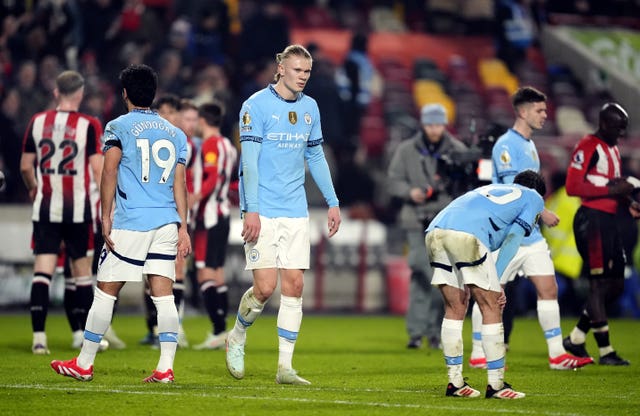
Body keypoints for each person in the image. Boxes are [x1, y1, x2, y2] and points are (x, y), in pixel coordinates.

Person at [50, 64, 191, 382]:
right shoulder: (176, 134)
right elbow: (179, 184)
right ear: (153, 93)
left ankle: (84, 363)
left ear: (125, 93)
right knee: (164, 295)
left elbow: (109, 171)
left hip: (132, 222)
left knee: (105, 290)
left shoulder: (118, 126)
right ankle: (165, 368)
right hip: (167, 221)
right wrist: (183, 226)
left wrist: (104, 214)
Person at [225, 44, 341, 385]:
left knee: (294, 284)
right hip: (263, 209)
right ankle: (237, 335)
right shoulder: (255, 106)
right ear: (280, 70)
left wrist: (333, 201)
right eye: (296, 70)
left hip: (295, 209)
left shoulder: (311, 108)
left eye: (307, 71)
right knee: (264, 287)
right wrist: (251, 210)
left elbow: (315, 156)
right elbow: (248, 163)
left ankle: (285, 368)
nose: (302, 77)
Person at [470, 86, 592, 370]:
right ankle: (477, 353)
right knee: (491, 293)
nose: (544, 115)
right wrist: (543, 210)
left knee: (549, 288)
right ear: (523, 112)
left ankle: (556, 354)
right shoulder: (505, 145)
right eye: (539, 110)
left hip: (530, 233)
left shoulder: (530, 145)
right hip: (506, 234)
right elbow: (516, 190)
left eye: (545, 110)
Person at [427, 169, 547, 399]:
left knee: (455, 307)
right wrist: (498, 280)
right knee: (492, 305)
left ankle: (455, 383)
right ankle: (496, 384)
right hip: (467, 235)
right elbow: (514, 238)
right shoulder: (534, 197)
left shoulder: (490, 189)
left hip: (435, 230)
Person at [20, 70, 103, 355]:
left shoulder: (37, 121)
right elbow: (97, 169)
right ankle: (84, 335)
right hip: (78, 208)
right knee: (81, 272)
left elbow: (24, 167)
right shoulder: (89, 125)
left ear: (56, 93)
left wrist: (34, 188)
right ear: (80, 94)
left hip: (46, 205)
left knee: (42, 271)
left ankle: (39, 338)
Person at [563, 102, 640, 366]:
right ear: (605, 124)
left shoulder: (613, 148)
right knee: (599, 283)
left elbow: (613, 186)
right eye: (618, 129)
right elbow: (572, 186)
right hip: (592, 220)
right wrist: (612, 192)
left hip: (610, 220)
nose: (621, 134)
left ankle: (575, 337)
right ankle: (606, 351)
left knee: (615, 284)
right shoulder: (587, 146)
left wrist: (629, 204)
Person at [387, 103, 468, 349]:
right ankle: (423, 331)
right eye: (431, 124)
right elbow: (392, 181)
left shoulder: (457, 150)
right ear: (423, 124)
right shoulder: (406, 150)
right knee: (424, 272)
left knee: (432, 276)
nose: (435, 129)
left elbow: (466, 185)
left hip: (444, 221)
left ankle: (427, 331)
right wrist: (409, 192)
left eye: (439, 124)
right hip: (415, 218)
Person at [192, 101, 238, 350]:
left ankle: (218, 330)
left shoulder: (210, 144)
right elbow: (229, 182)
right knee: (218, 272)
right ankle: (223, 329)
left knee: (205, 272)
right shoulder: (229, 146)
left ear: (202, 120)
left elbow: (213, 178)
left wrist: (194, 197)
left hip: (209, 216)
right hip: (223, 214)